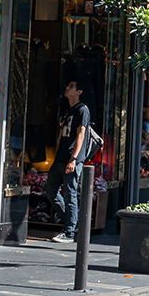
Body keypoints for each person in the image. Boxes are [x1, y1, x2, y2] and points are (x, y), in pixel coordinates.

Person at [52, 80, 92, 244]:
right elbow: (61, 133)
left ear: (79, 92)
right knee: (50, 190)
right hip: (60, 158)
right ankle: (71, 222)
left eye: (71, 86)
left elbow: (81, 134)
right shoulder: (66, 109)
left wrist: (74, 158)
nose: (67, 88)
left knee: (70, 193)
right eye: (67, 86)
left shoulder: (82, 109)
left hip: (71, 158)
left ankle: (69, 232)